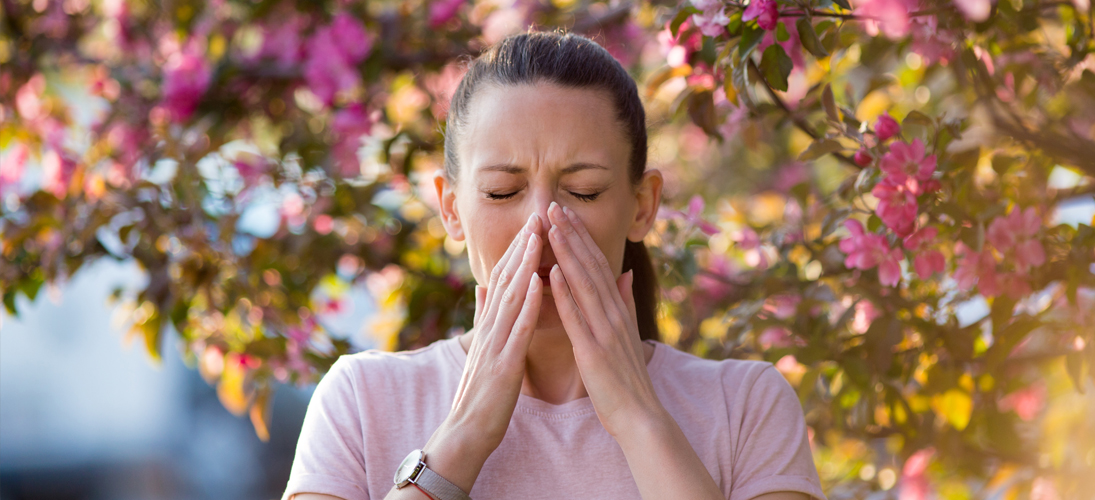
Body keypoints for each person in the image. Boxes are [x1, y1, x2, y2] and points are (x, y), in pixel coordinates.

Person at [283, 31, 826, 500]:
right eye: (502, 191)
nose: (541, 222)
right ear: (451, 208)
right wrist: (464, 435)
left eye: (584, 192)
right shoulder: (362, 399)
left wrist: (638, 418)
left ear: (642, 206)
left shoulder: (745, 405)